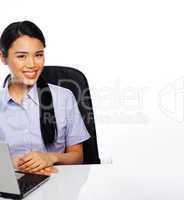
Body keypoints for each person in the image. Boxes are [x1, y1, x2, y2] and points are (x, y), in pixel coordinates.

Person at [0, 21, 90, 175]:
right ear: (3, 58)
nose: (32, 64)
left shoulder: (64, 98)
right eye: (21, 56)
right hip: (10, 183)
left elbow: (78, 156)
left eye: (38, 55)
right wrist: (9, 163)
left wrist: (51, 157)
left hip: (56, 183)